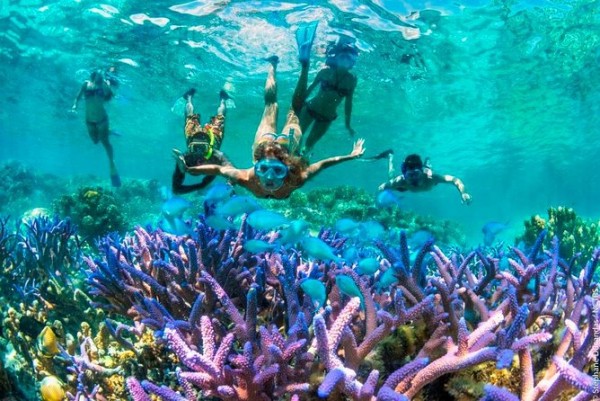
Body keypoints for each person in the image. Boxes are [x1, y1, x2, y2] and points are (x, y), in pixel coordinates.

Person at [177, 48, 365, 200]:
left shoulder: (247, 178)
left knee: (275, 106)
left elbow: (219, 169)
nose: (269, 177)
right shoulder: (295, 179)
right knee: (292, 110)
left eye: (275, 170)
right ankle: (291, 66)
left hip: (265, 144)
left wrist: (189, 169)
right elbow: (324, 164)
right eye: (266, 169)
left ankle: (283, 65)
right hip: (284, 144)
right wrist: (351, 155)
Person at [292, 27, 358, 156]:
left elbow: (348, 103)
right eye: (342, 56)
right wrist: (297, 107)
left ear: (352, 62)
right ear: (336, 58)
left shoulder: (351, 80)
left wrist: (347, 124)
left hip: (327, 117)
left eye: (348, 58)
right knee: (297, 138)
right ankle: (290, 160)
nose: (345, 60)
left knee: (310, 144)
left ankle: (301, 162)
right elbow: (308, 90)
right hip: (310, 109)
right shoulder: (325, 72)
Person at [171, 88, 233, 194]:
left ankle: (190, 98)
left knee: (190, 116)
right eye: (196, 148)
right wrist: (202, 185)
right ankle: (222, 100)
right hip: (207, 135)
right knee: (219, 117)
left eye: (201, 148)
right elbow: (176, 190)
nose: (199, 155)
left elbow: (176, 190)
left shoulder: (187, 158)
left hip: (196, 135)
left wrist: (202, 185)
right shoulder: (214, 157)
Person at [72, 69, 121, 187]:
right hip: (89, 120)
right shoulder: (85, 84)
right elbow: (77, 96)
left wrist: (107, 85)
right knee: (95, 141)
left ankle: (111, 163)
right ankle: (109, 131)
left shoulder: (104, 86)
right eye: (98, 73)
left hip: (102, 119)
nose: (100, 75)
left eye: (102, 74)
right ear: (94, 74)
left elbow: (112, 96)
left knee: (104, 142)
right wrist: (74, 106)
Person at [378, 152, 472, 204]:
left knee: (429, 169)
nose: (414, 178)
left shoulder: (431, 178)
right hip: (404, 187)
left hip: (425, 172)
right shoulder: (401, 181)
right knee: (391, 178)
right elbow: (382, 187)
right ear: (405, 174)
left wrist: (463, 192)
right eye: (410, 175)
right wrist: (380, 191)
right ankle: (390, 157)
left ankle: (427, 163)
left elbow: (455, 180)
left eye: (416, 174)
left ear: (421, 172)